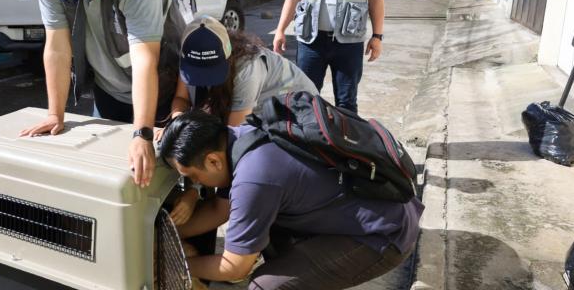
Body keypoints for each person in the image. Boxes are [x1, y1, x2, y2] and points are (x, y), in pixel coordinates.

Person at [158, 111, 424, 289]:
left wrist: (178, 264)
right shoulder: (242, 136)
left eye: (193, 176)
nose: (196, 185)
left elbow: (233, 266)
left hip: (383, 237)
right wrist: (165, 236)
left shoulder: (254, 178)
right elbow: (220, 208)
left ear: (212, 161)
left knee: (264, 285)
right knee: (267, 239)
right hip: (378, 209)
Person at [20, 0, 186, 188]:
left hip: (159, 90)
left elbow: (145, 58)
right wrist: (54, 114)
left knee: (160, 178)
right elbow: (57, 48)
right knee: (106, 172)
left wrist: (143, 133)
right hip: (107, 88)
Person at [170, 16, 318, 126]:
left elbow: (233, 132)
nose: (204, 79)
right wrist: (177, 125)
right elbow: (181, 99)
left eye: (211, 69)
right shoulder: (189, 57)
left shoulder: (247, 69)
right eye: (198, 70)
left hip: (300, 114)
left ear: (227, 55)